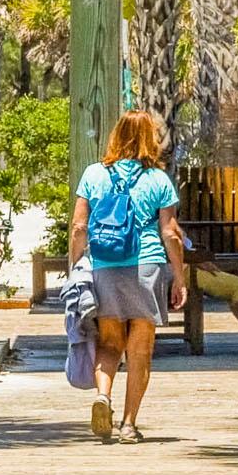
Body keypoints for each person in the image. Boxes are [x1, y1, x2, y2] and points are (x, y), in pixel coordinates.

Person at [74, 107, 187, 442]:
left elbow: (79, 225)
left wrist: (76, 267)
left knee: (109, 343)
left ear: (116, 135)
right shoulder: (158, 180)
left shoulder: (94, 174)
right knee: (140, 350)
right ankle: (128, 425)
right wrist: (179, 277)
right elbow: (170, 233)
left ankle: (102, 396)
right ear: (149, 139)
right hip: (147, 268)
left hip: (105, 267)